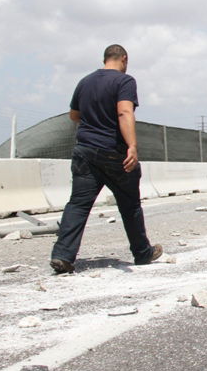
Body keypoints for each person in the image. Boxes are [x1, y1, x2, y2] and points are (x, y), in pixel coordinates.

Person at [50, 44, 161, 274]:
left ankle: (62, 256)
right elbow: (124, 112)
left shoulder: (85, 82)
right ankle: (142, 253)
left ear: (104, 59)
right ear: (124, 58)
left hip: (85, 150)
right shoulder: (124, 81)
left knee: (78, 204)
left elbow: (74, 115)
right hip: (113, 152)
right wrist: (132, 145)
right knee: (130, 205)